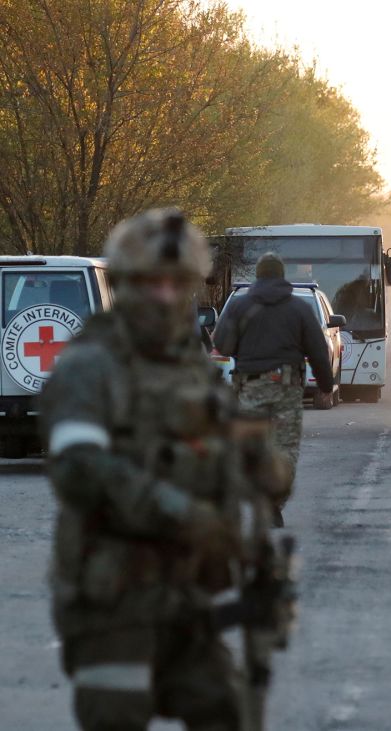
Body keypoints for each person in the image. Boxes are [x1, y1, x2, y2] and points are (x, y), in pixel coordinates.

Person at [40, 208, 283, 730]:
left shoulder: (189, 367)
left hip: (187, 601)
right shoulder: (90, 365)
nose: (167, 298)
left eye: (179, 284)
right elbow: (80, 468)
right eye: (152, 283)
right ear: (125, 285)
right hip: (113, 604)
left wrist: (262, 465)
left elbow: (231, 437)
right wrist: (180, 513)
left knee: (226, 711)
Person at [213, 252, 334, 526]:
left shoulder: (239, 307)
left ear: (257, 275)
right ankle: (273, 501)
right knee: (285, 447)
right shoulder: (299, 309)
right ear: (281, 276)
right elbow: (318, 350)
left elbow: (222, 344)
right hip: (286, 388)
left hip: (249, 388)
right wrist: (325, 386)